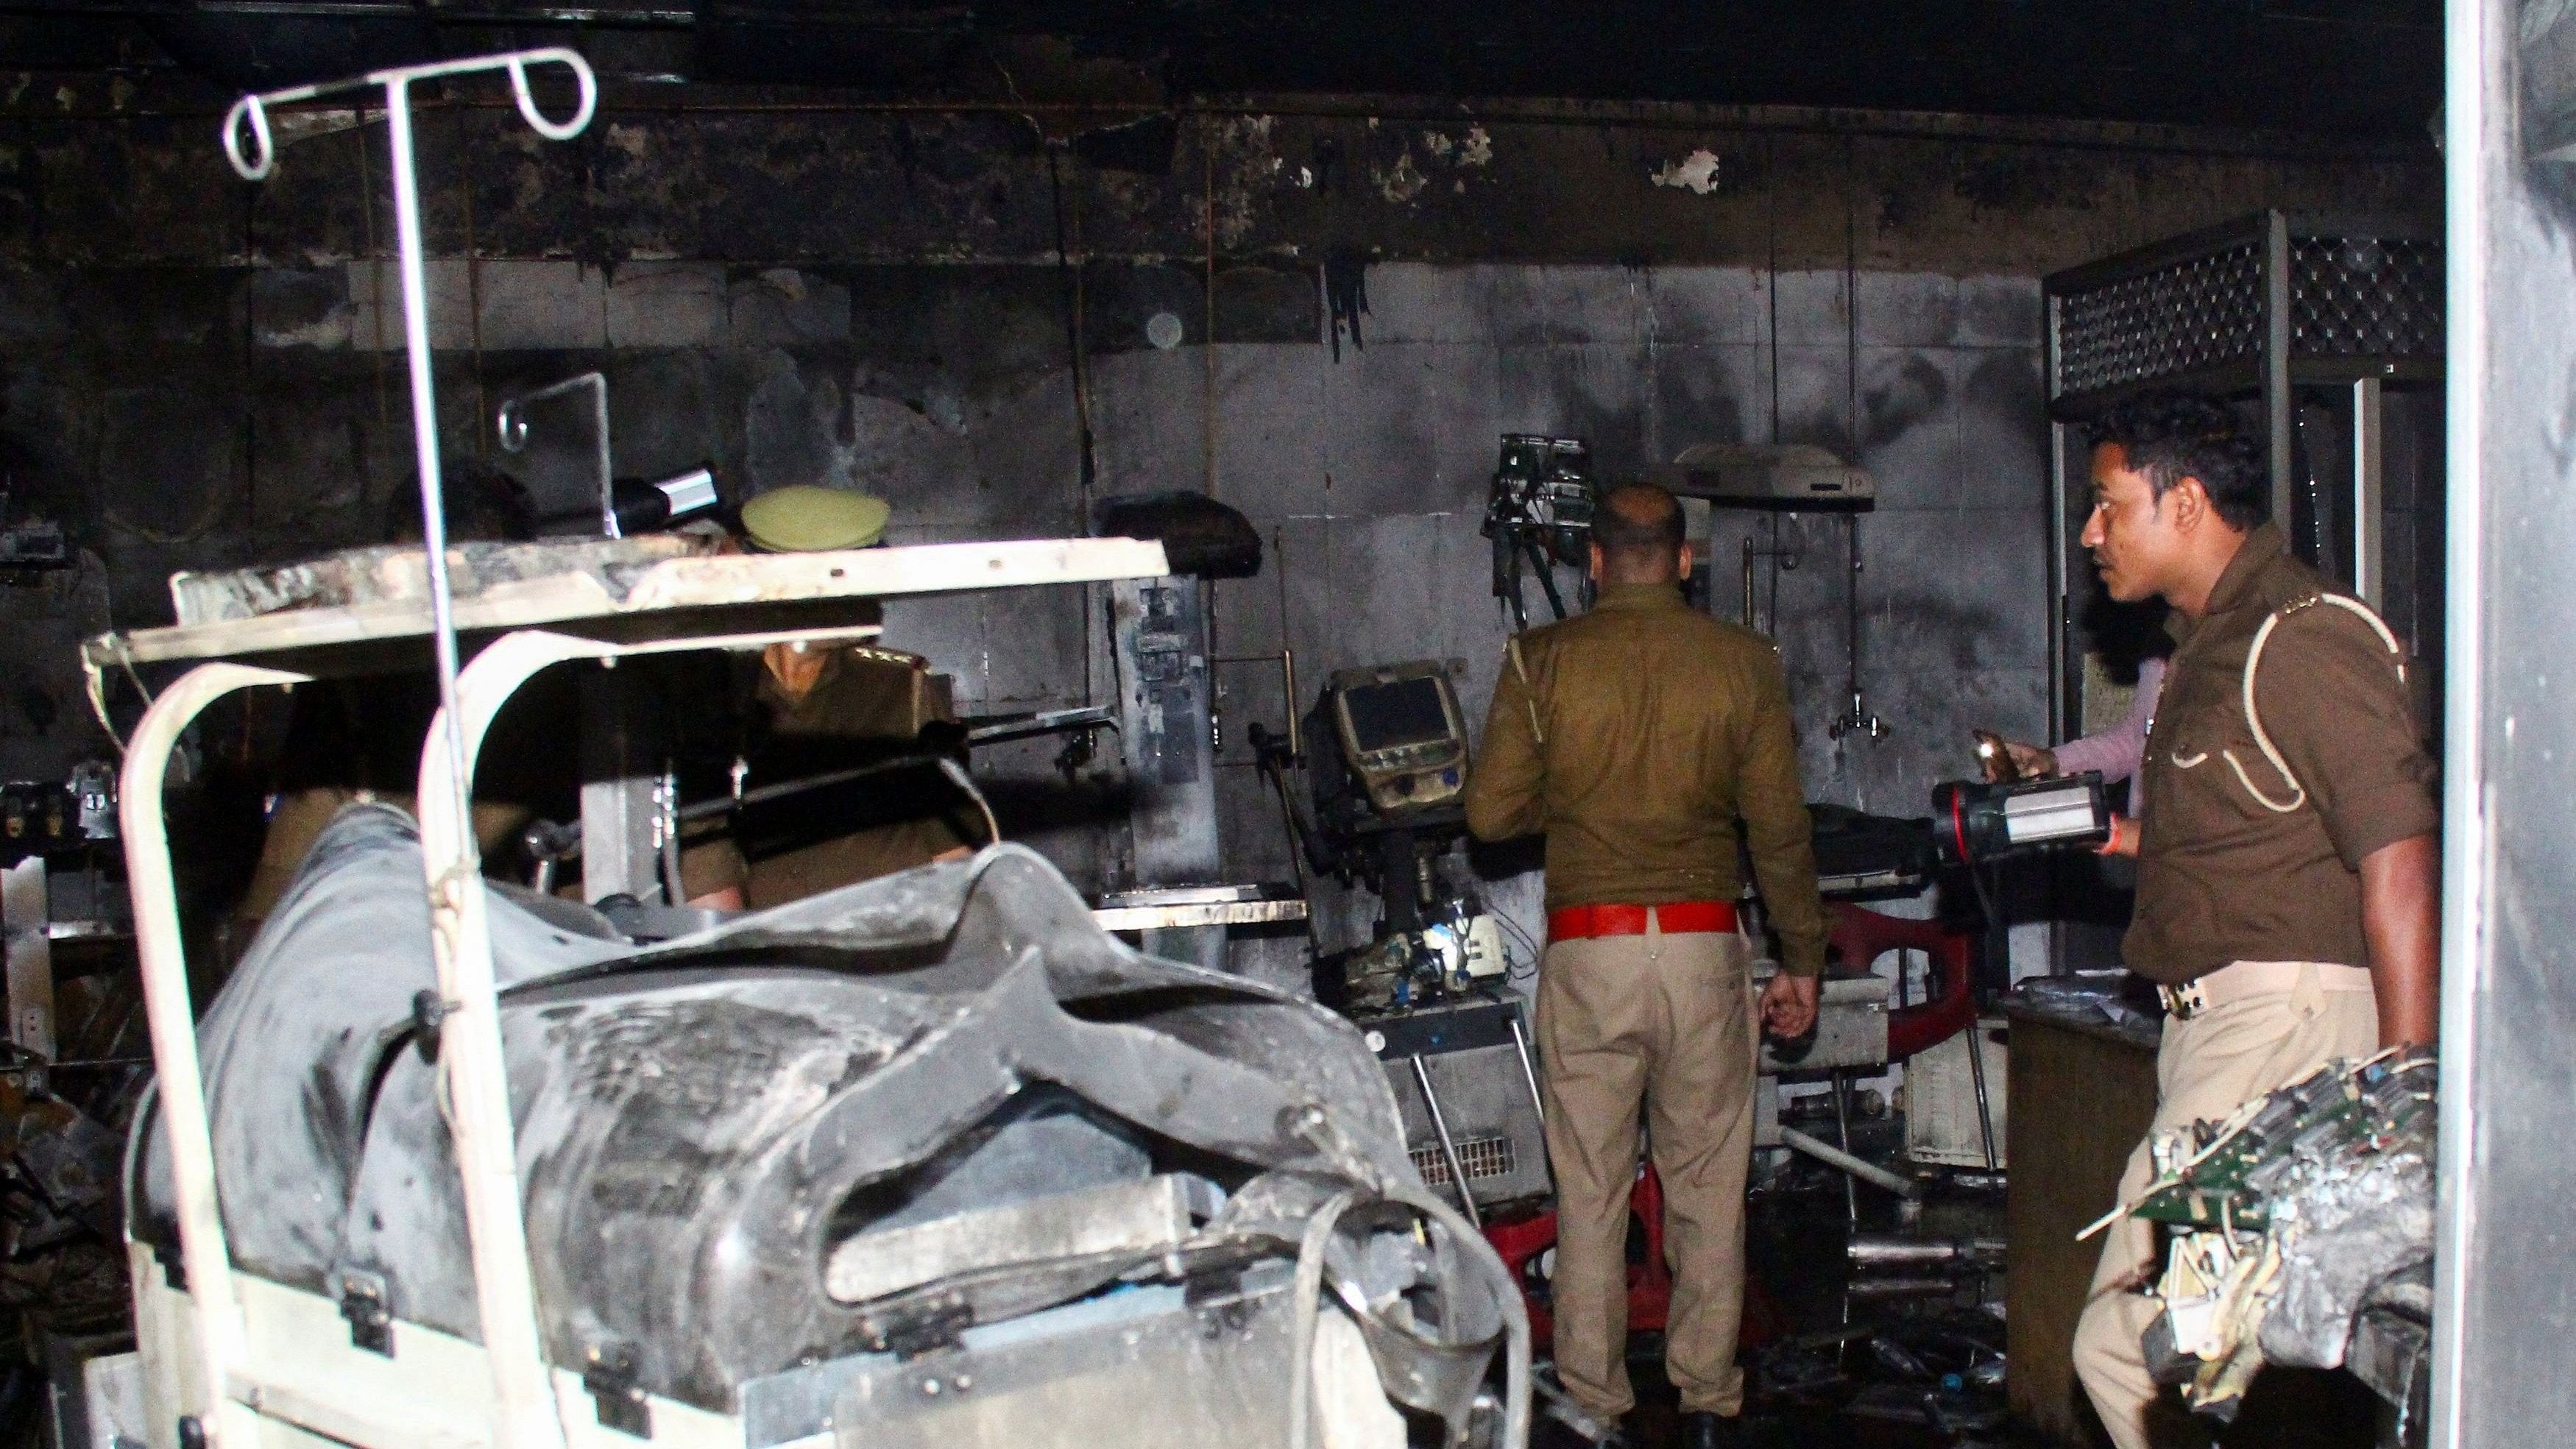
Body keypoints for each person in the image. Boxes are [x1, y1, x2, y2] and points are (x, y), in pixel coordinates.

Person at [2064, 394, 2438, 1449]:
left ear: (2182, 503)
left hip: (2285, 1032)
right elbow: (2247, 840)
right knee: (2205, 1359)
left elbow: (2401, 860)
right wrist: (2111, 840)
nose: (2093, 533)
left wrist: (2402, 1113)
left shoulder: (2302, 639)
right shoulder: (2210, 651)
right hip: (2222, 1036)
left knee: (2140, 1348)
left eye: (2107, 505)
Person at [1462, 482, 1826, 1449]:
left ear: (1591, 561)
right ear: (1684, 560)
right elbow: (1780, 828)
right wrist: (1803, 955)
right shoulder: (1743, 663)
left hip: (1590, 951)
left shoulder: (1540, 663)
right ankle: (1707, 1405)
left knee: (1589, 1193)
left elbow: (1491, 816)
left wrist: (1580, 801)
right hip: (1706, 950)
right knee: (1709, 1186)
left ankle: (1594, 1410)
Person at [1986, 650, 2166, 857]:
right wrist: (2052, 761)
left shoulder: (2207, 660)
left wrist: (2107, 832)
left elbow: (2200, 833)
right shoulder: (2159, 653)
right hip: (2155, 870)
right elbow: (2134, 744)